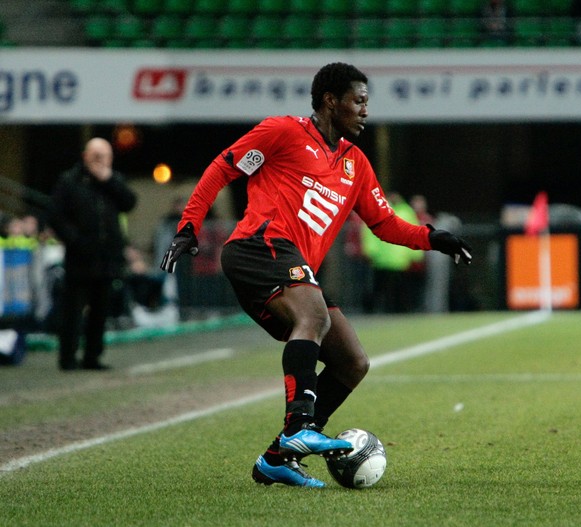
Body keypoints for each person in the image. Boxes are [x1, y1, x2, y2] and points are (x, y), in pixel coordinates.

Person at [159, 63, 471, 488]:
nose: (365, 111)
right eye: (358, 101)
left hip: (290, 268)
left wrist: (434, 238)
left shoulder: (355, 163)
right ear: (330, 101)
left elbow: (383, 223)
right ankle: (298, 428)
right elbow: (223, 167)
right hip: (257, 247)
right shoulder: (282, 132)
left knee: (351, 362)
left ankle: (276, 459)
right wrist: (189, 226)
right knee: (315, 316)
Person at [49, 137, 137, 371]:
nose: (99, 160)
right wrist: (76, 240)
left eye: (104, 156)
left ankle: (92, 356)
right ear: (85, 156)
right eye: (95, 155)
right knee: (73, 311)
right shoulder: (69, 181)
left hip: (107, 259)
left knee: (100, 311)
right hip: (79, 258)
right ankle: (67, 358)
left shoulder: (113, 181)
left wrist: (107, 180)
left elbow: (129, 202)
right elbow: (56, 216)